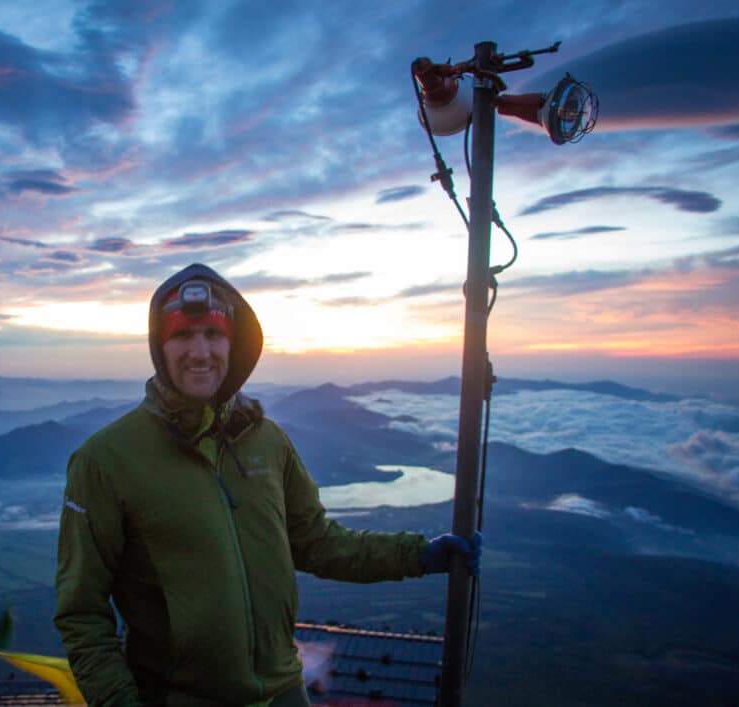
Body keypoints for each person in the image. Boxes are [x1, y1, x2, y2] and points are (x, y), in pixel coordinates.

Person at [54, 263, 481, 707]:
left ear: (233, 345)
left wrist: (418, 554)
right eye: (182, 335)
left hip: (284, 693)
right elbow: (81, 612)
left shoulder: (267, 440)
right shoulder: (105, 461)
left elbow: (317, 542)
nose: (200, 351)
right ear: (159, 347)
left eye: (213, 335)